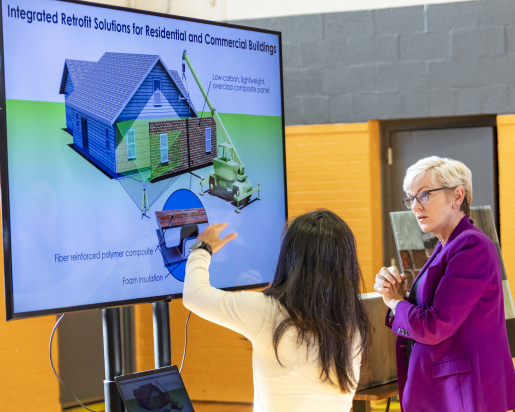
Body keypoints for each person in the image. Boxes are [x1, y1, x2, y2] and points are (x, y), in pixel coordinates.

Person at [183, 210, 371, 412]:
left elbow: (194, 294)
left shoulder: (266, 310)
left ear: (290, 258)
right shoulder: (353, 322)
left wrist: (201, 248)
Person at [374, 156, 515, 412]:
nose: (415, 207)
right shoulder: (447, 246)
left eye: (424, 194)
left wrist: (395, 302)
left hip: (463, 394)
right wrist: (398, 293)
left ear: (457, 196)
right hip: (448, 391)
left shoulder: (471, 246)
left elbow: (434, 326)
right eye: (411, 198)